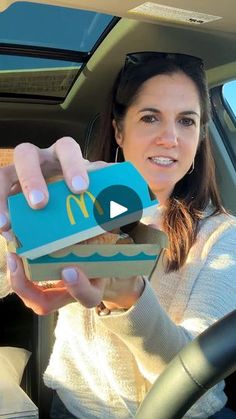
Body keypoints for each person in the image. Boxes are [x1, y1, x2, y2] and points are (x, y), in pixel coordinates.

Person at [0, 52, 235, 419]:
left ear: (199, 137)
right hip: (73, 410)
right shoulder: (75, 205)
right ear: (119, 131)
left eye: (186, 121)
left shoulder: (223, 236)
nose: (170, 137)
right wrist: (22, 219)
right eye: (150, 117)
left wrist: (130, 299)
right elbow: (5, 271)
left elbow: (201, 387)